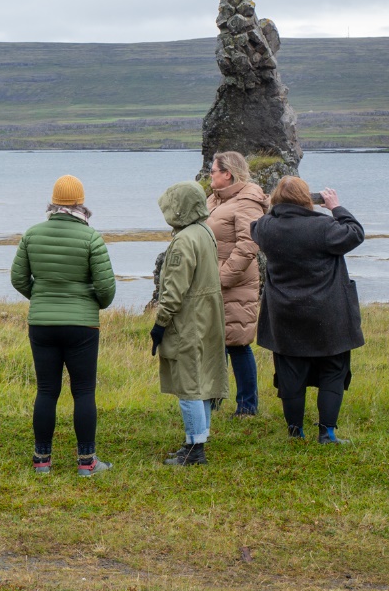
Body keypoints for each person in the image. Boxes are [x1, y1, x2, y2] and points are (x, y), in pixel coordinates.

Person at [10, 175, 116, 476]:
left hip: (42, 323)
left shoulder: (32, 234)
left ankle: (41, 460)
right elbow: (106, 289)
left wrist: (41, 298)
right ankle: (87, 462)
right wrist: (89, 303)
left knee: (46, 390)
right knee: (83, 391)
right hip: (82, 326)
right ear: (80, 203)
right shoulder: (91, 238)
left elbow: (18, 278)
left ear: (53, 202)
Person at [251, 176, 365, 444]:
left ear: (276, 199)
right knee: (333, 369)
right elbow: (355, 233)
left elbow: (254, 226)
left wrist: (272, 206)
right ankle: (327, 432)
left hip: (285, 312)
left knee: (290, 372)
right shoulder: (324, 226)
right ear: (307, 199)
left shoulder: (266, 228)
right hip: (327, 312)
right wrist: (336, 207)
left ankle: (295, 432)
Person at [150, 181, 227, 466]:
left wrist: (160, 323)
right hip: (208, 316)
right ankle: (197, 440)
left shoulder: (183, 241)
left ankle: (195, 448)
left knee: (188, 384)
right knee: (202, 379)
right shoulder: (204, 231)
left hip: (189, 319)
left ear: (179, 208)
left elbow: (173, 290)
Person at [205, 152, 269, 417]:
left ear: (227, 173)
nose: (210, 175)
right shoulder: (214, 200)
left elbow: (248, 244)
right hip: (210, 282)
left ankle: (247, 406)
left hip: (234, 283)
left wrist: (222, 277)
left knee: (237, 343)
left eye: (213, 171)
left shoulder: (247, 201)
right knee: (213, 343)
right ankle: (213, 401)